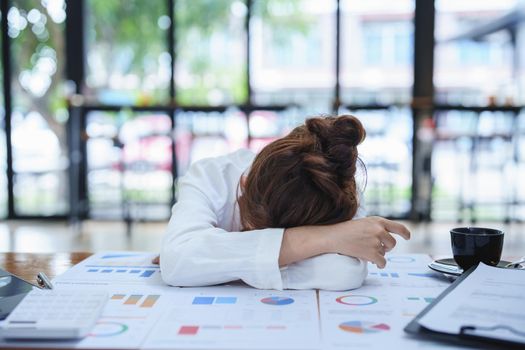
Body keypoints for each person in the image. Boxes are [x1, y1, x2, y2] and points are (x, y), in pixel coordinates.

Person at [160, 115, 410, 291]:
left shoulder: (337, 190)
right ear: (244, 184)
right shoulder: (210, 175)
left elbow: (344, 271)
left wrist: (215, 264)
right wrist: (326, 239)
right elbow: (178, 259)